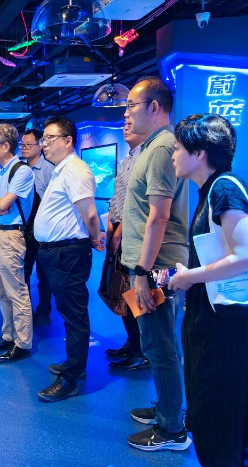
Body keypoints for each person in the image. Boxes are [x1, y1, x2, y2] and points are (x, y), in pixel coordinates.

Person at [169, 113, 248, 467]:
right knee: (216, 398)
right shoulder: (213, 188)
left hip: (227, 322)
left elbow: (247, 255)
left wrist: (190, 276)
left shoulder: (224, 189)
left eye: (178, 148)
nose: (174, 155)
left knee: (220, 398)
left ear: (200, 153)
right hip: (219, 314)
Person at [120, 76, 191, 451]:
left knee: (160, 347)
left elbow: (158, 217)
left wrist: (143, 273)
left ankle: (172, 429)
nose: (126, 113)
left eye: (131, 105)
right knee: (159, 344)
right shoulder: (152, 147)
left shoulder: (162, 147)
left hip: (157, 265)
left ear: (154, 107)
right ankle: (168, 408)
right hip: (152, 264)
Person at [33, 117, 105, 402]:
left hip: (68, 253)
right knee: (67, 311)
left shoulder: (75, 170)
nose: (44, 144)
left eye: (50, 138)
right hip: (57, 252)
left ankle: (71, 377)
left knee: (74, 314)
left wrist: (96, 238)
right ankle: (75, 364)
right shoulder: (61, 170)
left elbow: (90, 214)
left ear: (68, 140)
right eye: (44, 138)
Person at [0, 123, 35, 363]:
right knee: (0, 291)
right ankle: (8, 335)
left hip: (10, 236)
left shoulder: (21, 171)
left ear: (6, 146)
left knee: (16, 291)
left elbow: (3, 205)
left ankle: (22, 343)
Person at [104, 124, 149, 371]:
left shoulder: (144, 157)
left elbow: (136, 204)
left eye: (132, 122)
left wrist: (117, 234)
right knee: (121, 290)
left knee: (131, 292)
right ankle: (133, 343)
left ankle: (141, 351)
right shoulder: (128, 158)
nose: (126, 126)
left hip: (130, 235)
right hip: (119, 231)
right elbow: (117, 200)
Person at [19, 128, 55, 327]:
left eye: (28, 144)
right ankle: (26, 311)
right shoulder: (20, 169)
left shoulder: (50, 169)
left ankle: (44, 311)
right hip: (24, 231)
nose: (24, 148)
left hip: (44, 232)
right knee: (22, 273)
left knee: (44, 275)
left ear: (40, 146)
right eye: (22, 144)